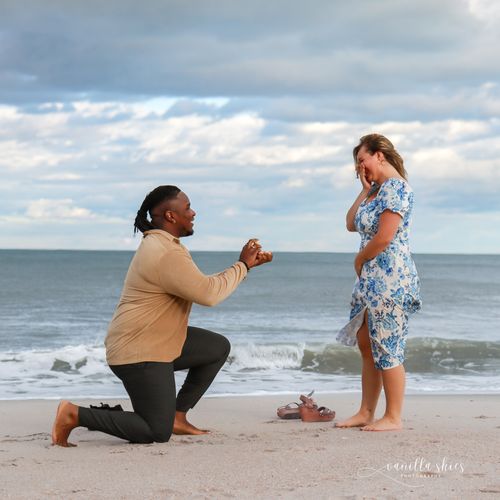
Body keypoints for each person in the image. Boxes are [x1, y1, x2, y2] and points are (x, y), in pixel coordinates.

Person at [52, 185, 272, 446]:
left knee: (216, 347)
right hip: (139, 351)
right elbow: (209, 295)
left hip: (156, 341)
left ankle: (177, 416)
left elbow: (200, 286)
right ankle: (74, 414)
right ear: (170, 216)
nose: (194, 213)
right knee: (155, 432)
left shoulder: (163, 246)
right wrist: (243, 264)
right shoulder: (165, 252)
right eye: (188, 207)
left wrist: (243, 268)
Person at [336, 134, 421, 431]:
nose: (360, 167)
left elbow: (385, 236)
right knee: (366, 343)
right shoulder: (377, 191)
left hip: (390, 278)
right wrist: (364, 190)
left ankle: (393, 416)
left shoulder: (396, 188)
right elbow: (350, 223)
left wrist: (359, 260)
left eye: (363, 160)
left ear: (379, 155)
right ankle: (365, 411)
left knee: (388, 345)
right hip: (370, 281)